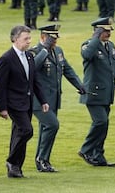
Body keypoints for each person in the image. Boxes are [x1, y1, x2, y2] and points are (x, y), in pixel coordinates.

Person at [78, 18, 115, 167]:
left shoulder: (110, 46)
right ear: (97, 31)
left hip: (107, 93)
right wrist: (95, 38)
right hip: (93, 93)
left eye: (109, 30)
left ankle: (98, 156)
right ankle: (86, 150)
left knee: (104, 125)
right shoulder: (88, 45)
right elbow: (87, 55)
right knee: (100, 121)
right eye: (105, 30)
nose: (108, 33)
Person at [0, 25, 49, 178]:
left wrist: (43, 100)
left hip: (28, 101)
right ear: (15, 39)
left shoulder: (30, 56)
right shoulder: (6, 59)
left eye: (29, 38)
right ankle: (12, 161)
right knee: (27, 130)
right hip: (14, 103)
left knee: (18, 133)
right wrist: (3, 108)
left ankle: (16, 168)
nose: (29, 42)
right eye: (25, 39)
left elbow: (34, 80)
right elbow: (0, 85)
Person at [30, 25, 85, 172]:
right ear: (43, 37)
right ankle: (42, 159)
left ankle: (43, 160)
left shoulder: (58, 51)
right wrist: (44, 50)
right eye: (51, 39)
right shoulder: (35, 51)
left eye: (55, 39)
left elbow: (66, 69)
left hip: (53, 98)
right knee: (52, 125)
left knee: (45, 128)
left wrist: (79, 84)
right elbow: (32, 67)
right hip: (38, 99)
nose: (54, 42)